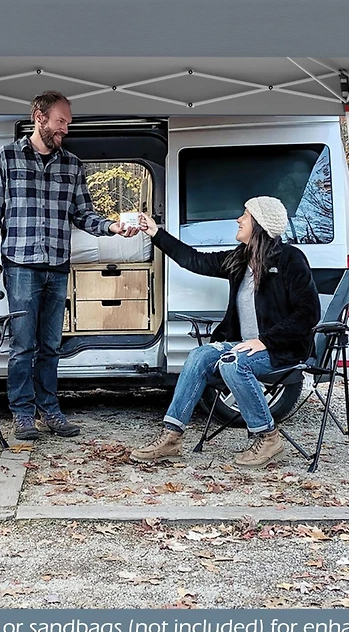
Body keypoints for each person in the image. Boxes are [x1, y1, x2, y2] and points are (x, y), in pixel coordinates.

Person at [0, 91, 136, 441]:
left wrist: (112, 227)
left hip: (57, 267)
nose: (65, 128)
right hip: (20, 265)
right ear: (39, 118)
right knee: (22, 346)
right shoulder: (6, 157)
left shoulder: (72, 165)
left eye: (68, 122)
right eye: (60, 121)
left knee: (51, 346)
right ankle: (23, 414)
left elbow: (83, 214)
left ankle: (49, 410)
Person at [130, 196, 321, 468]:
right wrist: (155, 233)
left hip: (280, 350)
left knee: (233, 363)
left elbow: (308, 313)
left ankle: (268, 438)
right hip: (245, 347)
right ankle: (171, 437)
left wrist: (265, 341)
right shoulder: (240, 259)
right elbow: (194, 260)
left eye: (245, 215)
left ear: (260, 224)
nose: (239, 219)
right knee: (199, 355)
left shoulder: (290, 259)